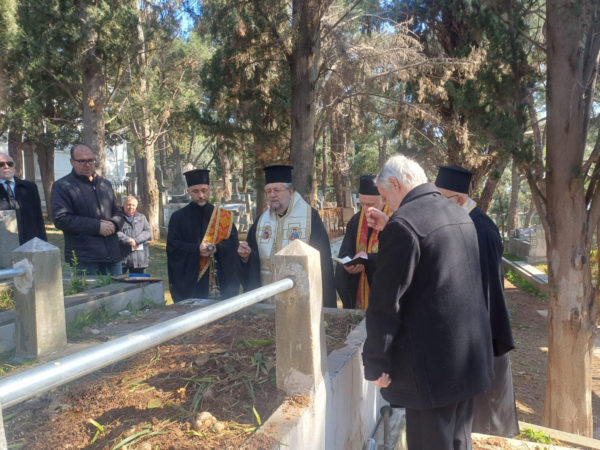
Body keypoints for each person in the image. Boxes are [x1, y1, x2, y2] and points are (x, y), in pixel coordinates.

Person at [362, 154, 493, 450]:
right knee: (459, 441)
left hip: (430, 369)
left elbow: (385, 303)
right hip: (468, 359)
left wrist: (376, 362)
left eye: (385, 197)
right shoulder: (459, 213)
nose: (387, 206)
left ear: (395, 184)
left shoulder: (403, 225)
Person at [435, 165, 519, 438]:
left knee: (490, 416)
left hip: (486, 333)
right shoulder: (462, 221)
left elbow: (487, 287)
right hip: (472, 332)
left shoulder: (480, 229)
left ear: (459, 199)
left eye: (440, 198)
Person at [237, 165, 336, 308]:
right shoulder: (261, 221)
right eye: (268, 191)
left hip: (301, 302)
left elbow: (322, 262)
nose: (272, 195)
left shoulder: (309, 218)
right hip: (267, 301)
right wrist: (245, 256)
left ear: (290, 192)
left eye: (277, 190)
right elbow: (252, 260)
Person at [166, 169, 240, 301]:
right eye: (195, 191)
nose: (201, 195)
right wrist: (196, 249)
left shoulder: (224, 217)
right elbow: (173, 247)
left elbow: (233, 244)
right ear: (188, 191)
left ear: (209, 189)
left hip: (220, 280)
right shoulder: (178, 218)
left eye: (204, 190)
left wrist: (217, 248)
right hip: (192, 283)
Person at [51, 144, 124, 276]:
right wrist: (97, 227)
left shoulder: (105, 184)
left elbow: (119, 212)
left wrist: (114, 224)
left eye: (90, 160)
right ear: (72, 162)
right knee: (89, 290)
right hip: (84, 257)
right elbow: (61, 219)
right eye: (82, 161)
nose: (87, 164)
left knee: (119, 289)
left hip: (112, 254)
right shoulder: (62, 186)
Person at [334, 175, 391, 309]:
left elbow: (396, 257)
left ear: (383, 199)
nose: (365, 209)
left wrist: (369, 259)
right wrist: (348, 265)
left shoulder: (393, 219)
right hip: (358, 287)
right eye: (362, 204)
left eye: (370, 204)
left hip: (383, 292)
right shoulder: (356, 221)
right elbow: (346, 249)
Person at [0, 153, 47, 244]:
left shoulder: (30, 187)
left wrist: (43, 242)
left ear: (14, 167)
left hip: (29, 241)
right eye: (1, 164)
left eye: (10, 164)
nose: (6, 167)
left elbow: (38, 218)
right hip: (3, 243)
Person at [117, 196, 151, 274]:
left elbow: (147, 231)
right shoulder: (117, 217)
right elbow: (115, 232)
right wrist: (128, 240)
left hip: (139, 258)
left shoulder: (141, 217)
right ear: (123, 205)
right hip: (122, 257)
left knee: (138, 280)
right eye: (129, 204)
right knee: (119, 280)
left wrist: (136, 241)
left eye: (133, 205)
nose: (131, 207)